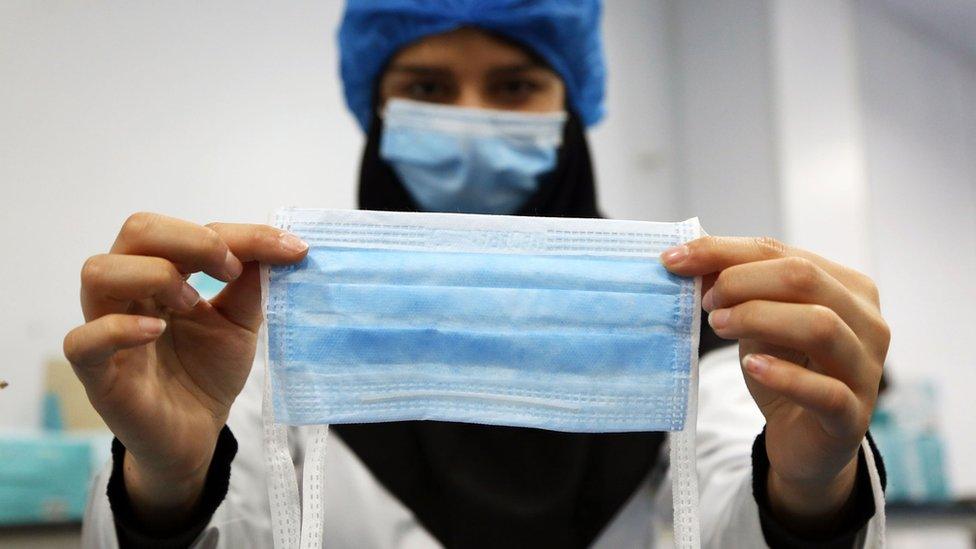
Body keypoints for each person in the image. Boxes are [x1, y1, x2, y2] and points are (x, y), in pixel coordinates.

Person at [64, 1, 890, 547]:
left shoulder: (692, 335)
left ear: (571, 105)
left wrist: (812, 489)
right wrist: (169, 486)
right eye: (425, 86)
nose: (467, 118)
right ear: (375, 108)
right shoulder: (270, 342)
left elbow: (734, 514)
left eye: (514, 85)